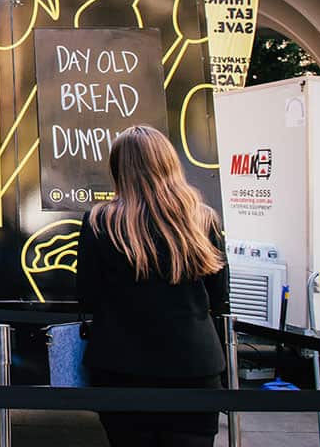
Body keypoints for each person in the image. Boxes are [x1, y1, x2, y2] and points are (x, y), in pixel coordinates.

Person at [76, 125, 228, 447]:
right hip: (194, 366)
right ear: (169, 162)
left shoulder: (100, 221)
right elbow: (220, 296)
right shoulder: (203, 219)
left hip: (121, 365)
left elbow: (86, 296)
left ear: (119, 168)